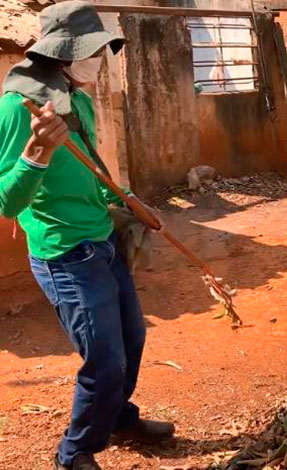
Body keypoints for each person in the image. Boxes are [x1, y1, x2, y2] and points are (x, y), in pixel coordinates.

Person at [0, 3, 173, 469]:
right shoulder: (20, 106)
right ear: (62, 54)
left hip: (102, 242)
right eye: (91, 52)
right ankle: (74, 453)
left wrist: (130, 199)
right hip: (65, 255)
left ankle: (117, 418)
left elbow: (93, 167)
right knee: (104, 362)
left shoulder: (75, 98)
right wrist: (36, 153)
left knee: (132, 341)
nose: (99, 61)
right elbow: (5, 202)